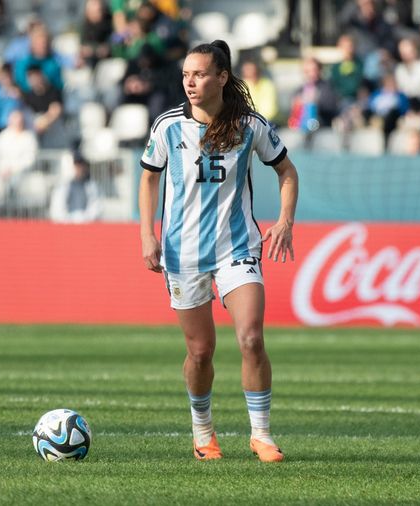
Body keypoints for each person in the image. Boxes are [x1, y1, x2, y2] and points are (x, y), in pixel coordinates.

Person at [139, 40, 299, 462]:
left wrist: (284, 221)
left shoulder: (250, 125)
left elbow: (286, 170)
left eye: (201, 74)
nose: (190, 82)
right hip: (182, 253)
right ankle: (203, 432)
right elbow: (149, 178)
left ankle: (261, 435)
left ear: (222, 77)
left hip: (237, 247)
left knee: (250, 337)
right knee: (200, 351)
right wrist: (146, 234)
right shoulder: (168, 126)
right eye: (186, 75)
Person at [49, 153, 102, 223]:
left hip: (86, 227)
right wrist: (70, 220)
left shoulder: (92, 186)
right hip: (65, 227)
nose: (79, 169)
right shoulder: (62, 186)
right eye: (76, 166)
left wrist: (82, 219)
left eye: (81, 165)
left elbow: (96, 208)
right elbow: (57, 210)